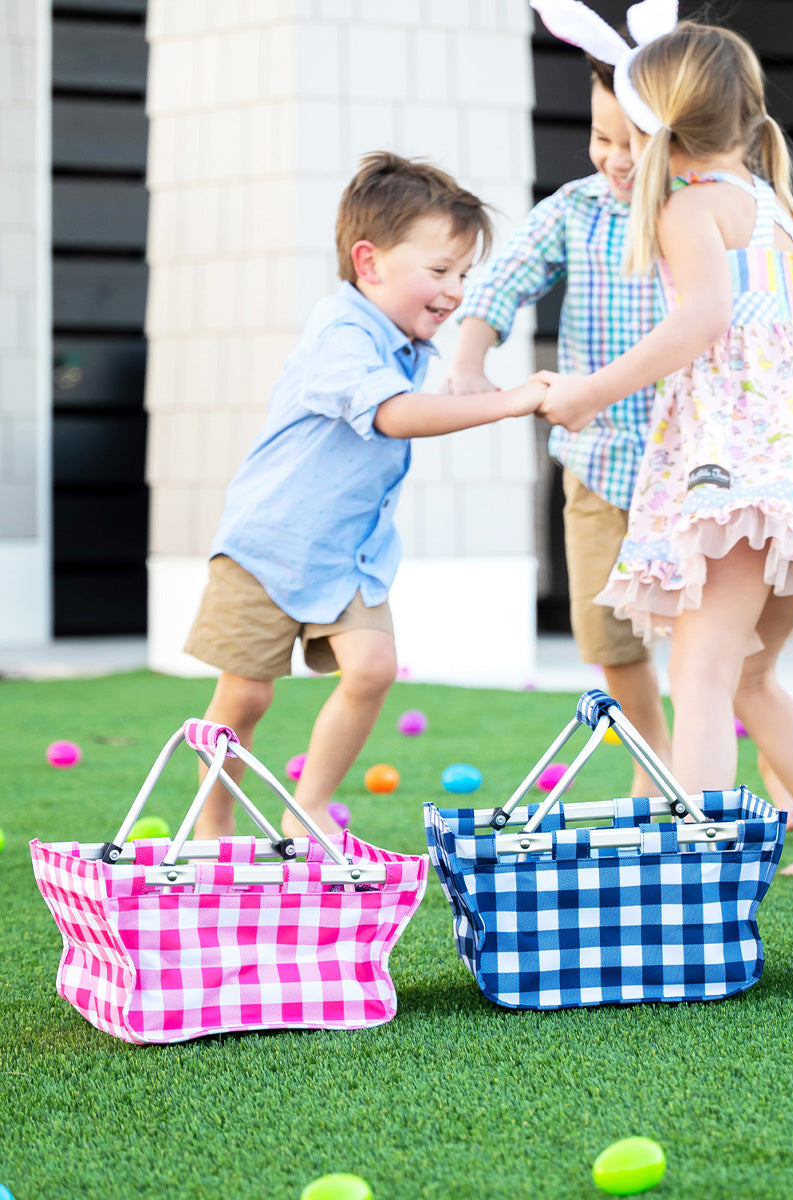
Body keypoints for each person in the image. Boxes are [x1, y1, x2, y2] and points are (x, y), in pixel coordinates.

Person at [534, 17, 793, 875]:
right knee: (752, 676)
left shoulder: (689, 209)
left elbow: (701, 320)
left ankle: (694, 864)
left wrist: (587, 391)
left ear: (656, 126)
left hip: (742, 483)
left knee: (700, 675)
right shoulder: (774, 211)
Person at [446, 49, 793, 820]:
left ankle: (713, 774)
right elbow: (507, 277)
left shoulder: (701, 208)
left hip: (692, 470)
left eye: (629, 141)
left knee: (711, 656)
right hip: (602, 464)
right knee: (613, 639)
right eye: (598, 138)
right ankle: (655, 752)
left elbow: (717, 318)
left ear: (674, 135)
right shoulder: (580, 208)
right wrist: (471, 357)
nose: (612, 158)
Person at [184, 152, 546, 840]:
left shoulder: (407, 345)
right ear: (370, 262)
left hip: (349, 553)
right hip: (268, 543)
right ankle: (214, 825)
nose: (455, 291)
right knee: (246, 694)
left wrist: (478, 389)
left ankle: (307, 805)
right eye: (440, 271)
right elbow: (394, 415)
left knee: (373, 667)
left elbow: (419, 404)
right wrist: (507, 405)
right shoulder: (342, 331)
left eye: (464, 274)